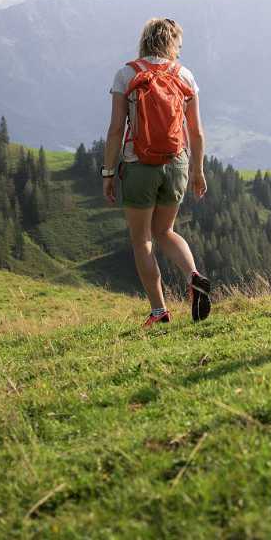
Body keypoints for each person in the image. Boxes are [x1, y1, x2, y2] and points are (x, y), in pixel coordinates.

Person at [102, 17, 213, 327]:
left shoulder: (127, 74)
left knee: (142, 240)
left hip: (139, 165)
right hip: (176, 163)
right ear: (172, 43)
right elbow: (197, 131)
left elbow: (114, 130)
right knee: (165, 231)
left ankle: (159, 311)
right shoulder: (185, 76)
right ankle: (193, 276)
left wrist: (108, 173)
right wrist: (198, 171)